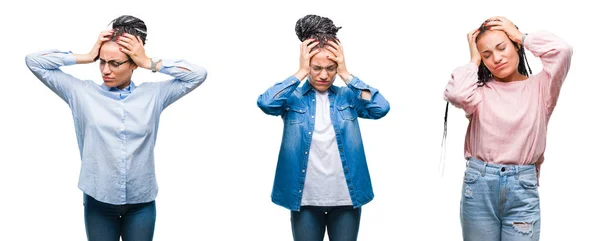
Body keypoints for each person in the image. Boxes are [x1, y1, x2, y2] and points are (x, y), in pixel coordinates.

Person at [25, 15, 207, 241]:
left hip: (141, 202)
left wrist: (150, 62)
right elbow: (34, 61)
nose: (105, 70)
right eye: (102, 61)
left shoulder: (154, 95)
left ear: (133, 64)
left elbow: (197, 75)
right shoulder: (81, 93)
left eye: (115, 63)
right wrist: (87, 56)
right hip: (98, 201)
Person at [257, 14, 390, 241]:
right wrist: (299, 73)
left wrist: (347, 75)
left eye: (331, 68)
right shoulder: (293, 98)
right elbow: (266, 103)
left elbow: (380, 107)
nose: (324, 75)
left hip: (346, 196)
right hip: (305, 198)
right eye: (316, 68)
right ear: (307, 64)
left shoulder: (348, 97)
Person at [443, 16, 573, 241]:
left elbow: (562, 50)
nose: (496, 58)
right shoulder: (479, 92)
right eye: (486, 54)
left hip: (522, 188)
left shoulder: (542, 87)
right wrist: (473, 60)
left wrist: (521, 36)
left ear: (515, 46)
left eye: (502, 47)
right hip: (479, 186)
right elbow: (456, 94)